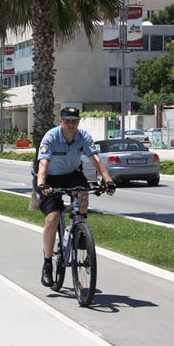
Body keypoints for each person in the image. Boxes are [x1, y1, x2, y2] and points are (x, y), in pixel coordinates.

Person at [36, 107, 116, 287]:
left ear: (78, 122)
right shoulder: (51, 137)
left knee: (83, 192)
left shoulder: (84, 136)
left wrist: (108, 180)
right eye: (67, 120)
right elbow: (43, 165)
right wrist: (42, 184)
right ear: (60, 121)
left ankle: (79, 230)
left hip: (72, 173)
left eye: (74, 120)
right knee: (53, 218)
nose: (71, 124)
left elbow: (95, 159)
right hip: (50, 177)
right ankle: (48, 264)